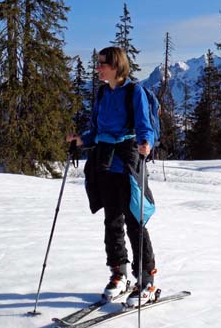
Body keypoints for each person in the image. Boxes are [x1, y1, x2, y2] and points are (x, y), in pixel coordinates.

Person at [67, 46, 157, 307]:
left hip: (128, 159)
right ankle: (119, 273)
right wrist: (81, 139)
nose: (98, 68)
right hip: (105, 162)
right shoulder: (103, 93)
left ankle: (147, 280)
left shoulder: (134, 91)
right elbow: (96, 129)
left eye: (102, 63)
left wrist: (146, 143)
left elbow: (144, 125)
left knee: (134, 221)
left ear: (116, 65)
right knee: (112, 221)